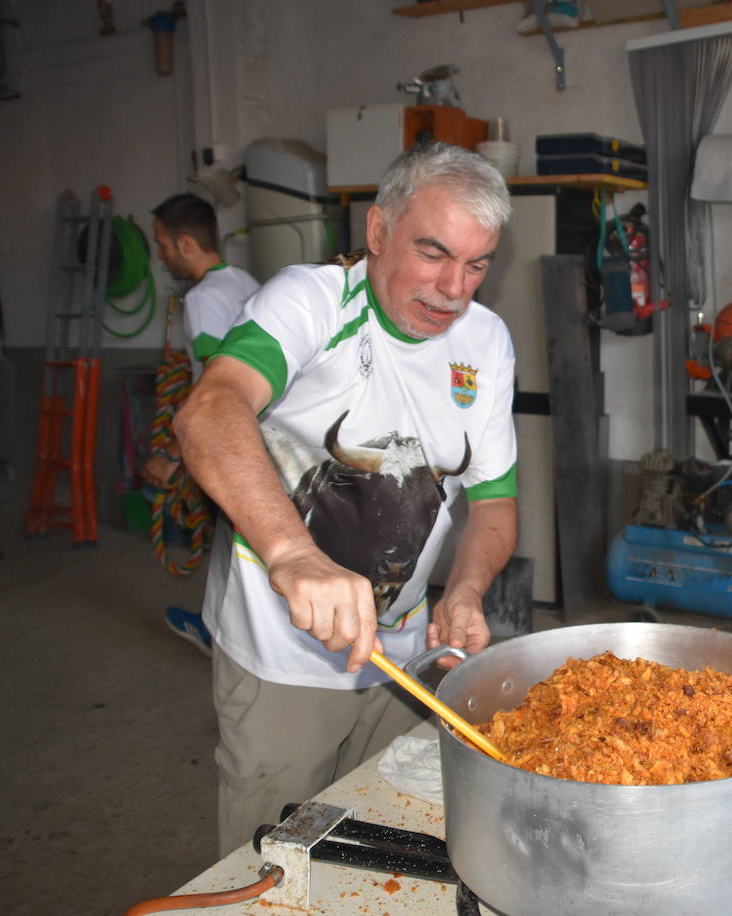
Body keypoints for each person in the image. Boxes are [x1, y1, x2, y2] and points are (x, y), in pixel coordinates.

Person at [173, 142, 518, 855]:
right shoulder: (309, 302)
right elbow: (209, 411)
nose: (455, 288)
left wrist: (467, 590)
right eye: (433, 253)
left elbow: (492, 500)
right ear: (379, 232)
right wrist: (294, 553)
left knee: (390, 842)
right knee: (272, 855)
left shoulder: (486, 342)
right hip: (282, 653)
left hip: (406, 650)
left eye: (477, 265)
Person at [146, 193, 259, 655]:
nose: (160, 254)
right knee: (235, 540)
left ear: (187, 244)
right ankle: (219, 627)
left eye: (163, 244)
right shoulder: (245, 282)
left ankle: (220, 635)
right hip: (262, 429)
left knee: (233, 540)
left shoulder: (204, 298)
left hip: (231, 435)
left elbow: (216, 385)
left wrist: (172, 454)